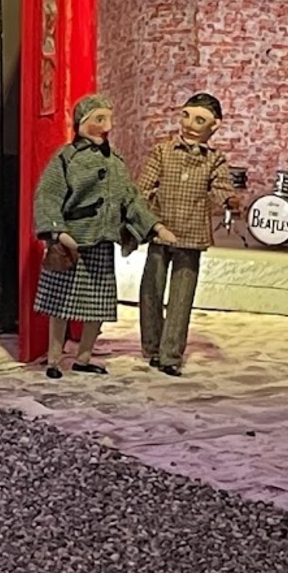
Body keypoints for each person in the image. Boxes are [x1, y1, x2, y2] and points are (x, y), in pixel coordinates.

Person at [32, 94, 178, 378]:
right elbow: (47, 196)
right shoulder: (66, 159)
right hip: (70, 244)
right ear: (82, 122)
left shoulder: (115, 162)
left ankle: (84, 357)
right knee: (59, 304)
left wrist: (155, 226)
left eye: (109, 120)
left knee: (97, 305)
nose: (107, 126)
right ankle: (53, 359)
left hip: (101, 242)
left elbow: (131, 199)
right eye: (99, 119)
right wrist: (57, 230)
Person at [135, 93, 238, 377]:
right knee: (150, 290)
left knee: (181, 297)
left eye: (200, 120)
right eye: (186, 116)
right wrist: (143, 217)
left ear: (214, 126)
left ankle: (170, 354)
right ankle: (152, 346)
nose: (190, 125)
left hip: (191, 234)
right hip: (161, 230)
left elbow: (221, 187)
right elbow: (144, 187)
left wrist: (229, 199)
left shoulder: (214, 160)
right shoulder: (163, 151)